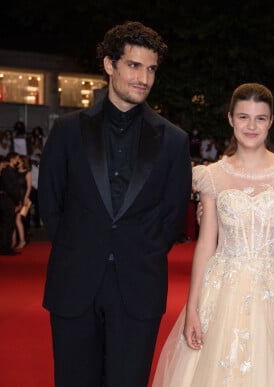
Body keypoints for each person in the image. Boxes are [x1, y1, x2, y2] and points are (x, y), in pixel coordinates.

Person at [38, 21, 191, 386]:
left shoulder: (173, 140)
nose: (144, 78)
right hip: (75, 282)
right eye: (134, 66)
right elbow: (50, 201)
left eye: (151, 69)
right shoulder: (68, 130)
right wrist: (81, 246)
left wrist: (138, 249)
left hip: (138, 285)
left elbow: (172, 218)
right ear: (110, 64)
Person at [152, 83, 274, 386]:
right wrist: (192, 308)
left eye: (260, 118)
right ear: (231, 119)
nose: (251, 125)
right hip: (222, 290)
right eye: (244, 117)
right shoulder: (212, 176)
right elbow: (206, 245)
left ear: (271, 121)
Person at [0, 152, 22, 255]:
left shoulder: (11, 171)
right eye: (17, 158)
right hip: (7, 201)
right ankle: (4, 248)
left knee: (10, 224)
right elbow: (10, 189)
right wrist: (17, 202)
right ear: (12, 159)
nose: (18, 160)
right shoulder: (7, 172)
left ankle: (7, 247)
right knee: (7, 225)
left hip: (11, 200)